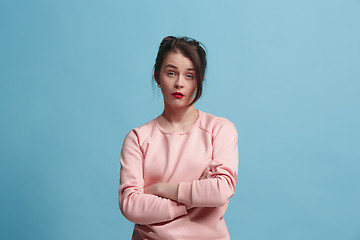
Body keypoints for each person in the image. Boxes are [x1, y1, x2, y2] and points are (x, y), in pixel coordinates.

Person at [118, 36, 239, 240]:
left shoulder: (219, 130)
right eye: (171, 73)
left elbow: (221, 189)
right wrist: (195, 198)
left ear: (200, 80)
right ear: (157, 76)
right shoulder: (137, 138)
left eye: (189, 76)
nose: (179, 83)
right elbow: (131, 206)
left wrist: (161, 189)